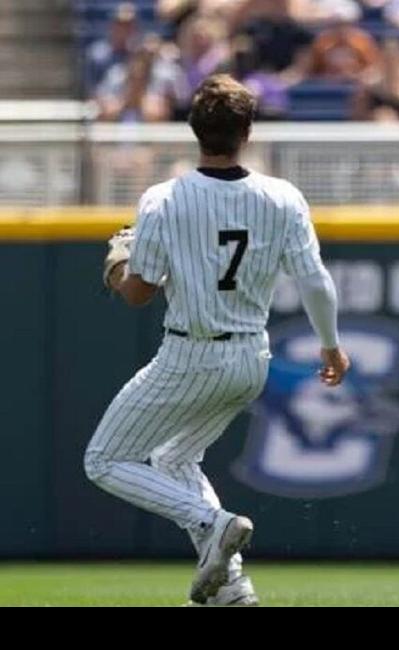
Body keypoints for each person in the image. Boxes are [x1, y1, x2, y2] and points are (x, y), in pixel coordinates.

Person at [87, 75, 350, 607]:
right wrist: (330, 344)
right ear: (247, 132)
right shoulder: (283, 196)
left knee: (105, 460)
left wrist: (116, 267)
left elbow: (139, 294)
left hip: (190, 352)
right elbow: (315, 280)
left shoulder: (164, 198)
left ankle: (214, 521)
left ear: (193, 129)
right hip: (251, 356)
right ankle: (232, 587)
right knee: (175, 459)